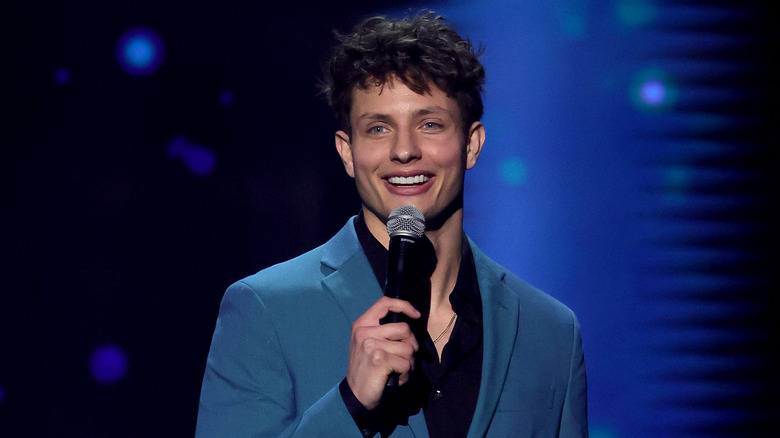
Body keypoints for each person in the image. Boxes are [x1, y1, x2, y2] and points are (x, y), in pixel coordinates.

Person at [196, 12, 587, 438]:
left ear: (471, 144)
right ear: (347, 153)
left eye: (430, 124)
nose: (404, 151)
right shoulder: (265, 312)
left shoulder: (550, 332)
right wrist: (351, 403)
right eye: (379, 128)